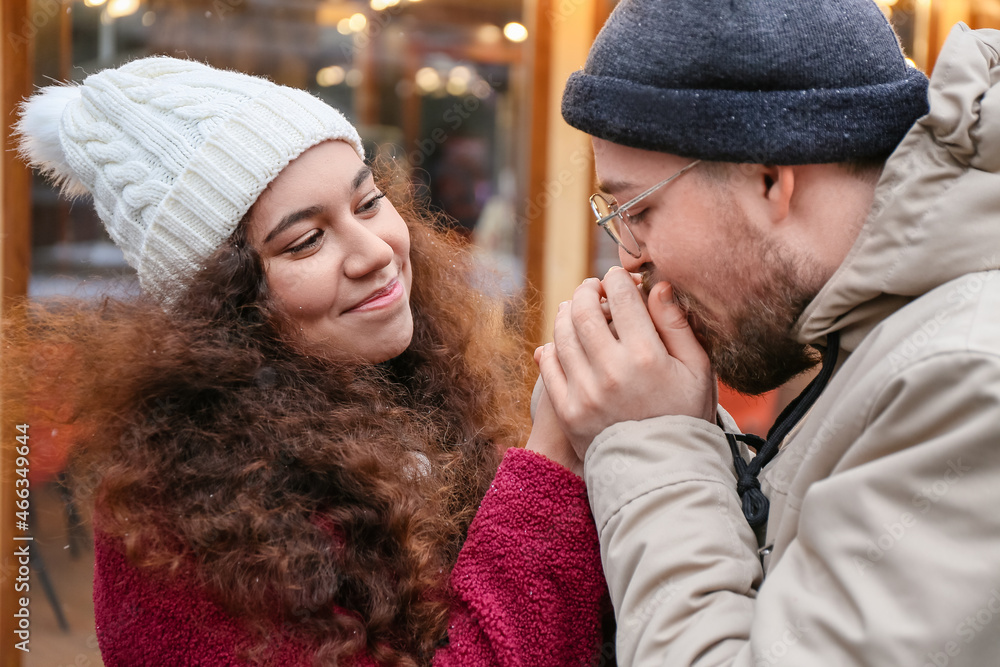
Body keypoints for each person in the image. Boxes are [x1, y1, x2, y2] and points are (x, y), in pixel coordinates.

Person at [11, 56, 607, 666]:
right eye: (306, 241)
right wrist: (549, 465)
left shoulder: (402, 389)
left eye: (369, 202)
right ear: (226, 308)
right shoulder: (188, 524)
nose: (374, 252)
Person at [533, 0, 1000, 664]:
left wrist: (648, 442)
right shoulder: (892, 329)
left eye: (637, 207)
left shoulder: (969, 376)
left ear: (769, 177)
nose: (628, 256)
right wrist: (659, 415)